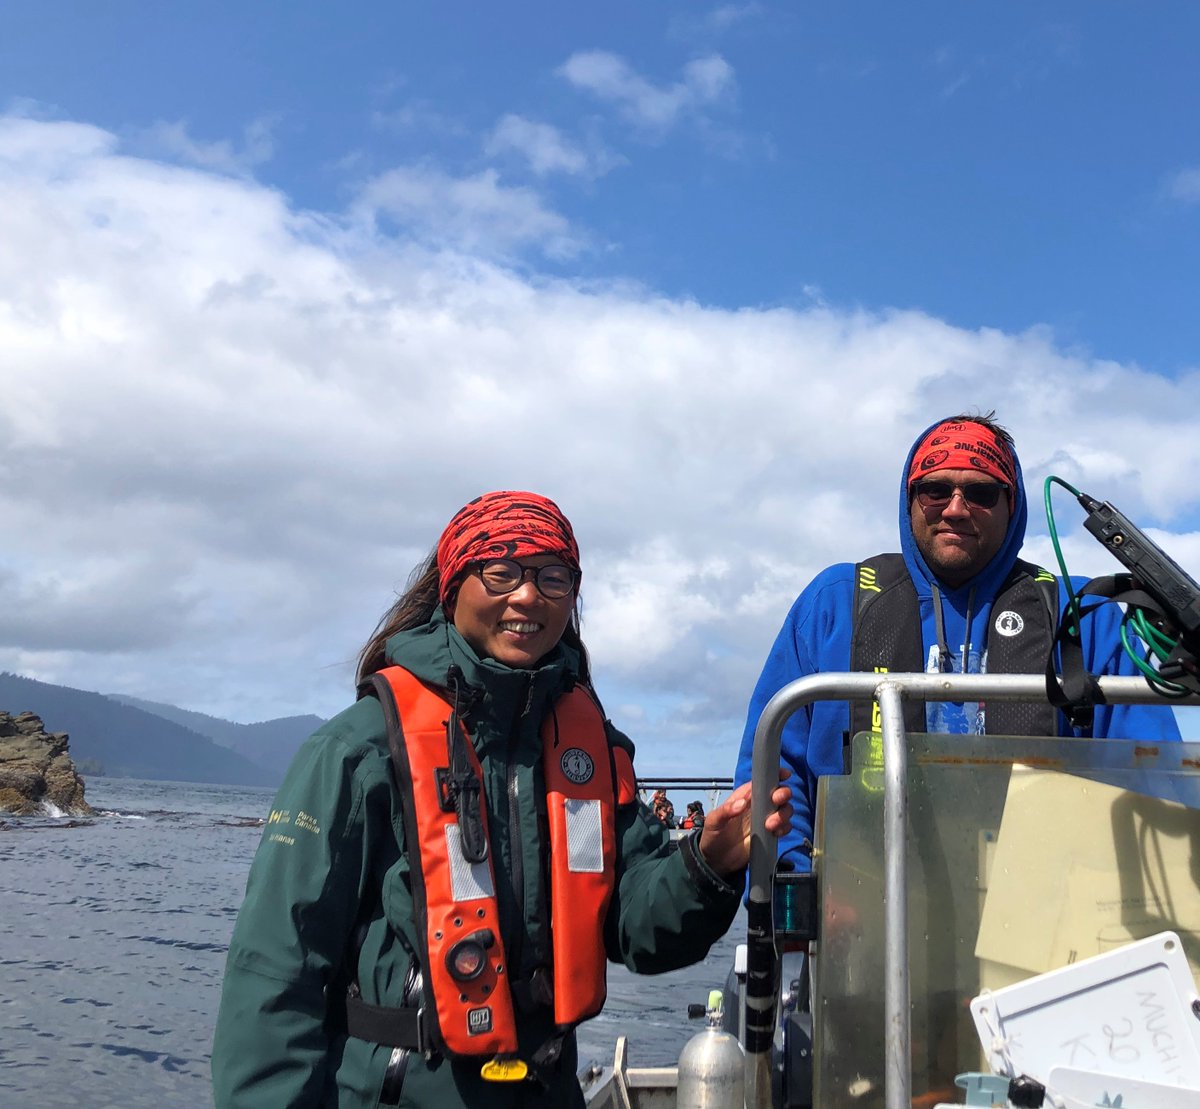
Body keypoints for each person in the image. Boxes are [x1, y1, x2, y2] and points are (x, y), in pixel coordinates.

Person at [213, 490, 792, 1109]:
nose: (527, 595)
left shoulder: (590, 746)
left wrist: (707, 862)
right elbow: (276, 972)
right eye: (501, 572)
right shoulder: (357, 751)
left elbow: (639, 929)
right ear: (453, 583)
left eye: (553, 577)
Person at [734, 413, 1181, 870]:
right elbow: (771, 777)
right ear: (910, 500)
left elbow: (1152, 784)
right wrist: (800, 900)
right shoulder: (833, 603)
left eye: (982, 493)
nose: (955, 508)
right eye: (935, 490)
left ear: (1013, 505)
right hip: (859, 910)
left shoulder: (1084, 615)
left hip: (1041, 913)